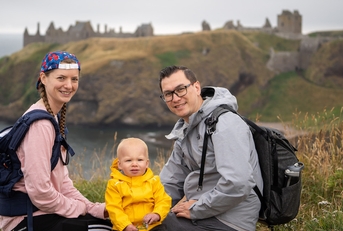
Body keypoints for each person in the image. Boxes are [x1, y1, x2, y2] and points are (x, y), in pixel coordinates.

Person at [0, 51, 113, 231]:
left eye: (74, 79)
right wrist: (78, 208)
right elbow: (40, 192)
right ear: (43, 78)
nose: (68, 85)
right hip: (25, 221)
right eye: (61, 78)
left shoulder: (52, 118)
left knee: (109, 224)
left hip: (42, 213)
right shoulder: (41, 125)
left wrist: (92, 208)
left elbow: (62, 183)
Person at [158, 65, 263, 231]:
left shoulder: (225, 123)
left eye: (181, 89)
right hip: (205, 215)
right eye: (168, 94)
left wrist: (197, 208)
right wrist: (131, 203)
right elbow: (169, 182)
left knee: (158, 227)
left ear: (197, 87)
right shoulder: (186, 129)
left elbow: (238, 182)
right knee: (142, 222)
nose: (175, 98)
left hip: (231, 222)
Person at [105, 138, 171, 231]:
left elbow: (163, 200)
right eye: (128, 160)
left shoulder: (154, 181)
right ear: (120, 164)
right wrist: (125, 225)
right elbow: (113, 208)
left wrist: (157, 214)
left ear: (147, 163)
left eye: (139, 160)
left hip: (151, 226)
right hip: (125, 227)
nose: (134, 164)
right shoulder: (114, 184)